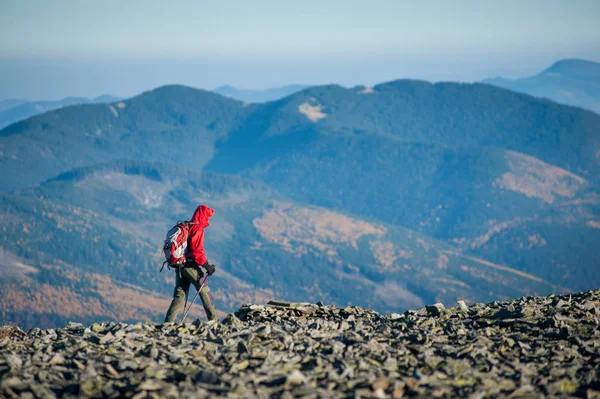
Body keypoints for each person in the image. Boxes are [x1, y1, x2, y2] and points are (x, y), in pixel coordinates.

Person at [164, 205, 218, 322]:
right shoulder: (198, 228)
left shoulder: (187, 225)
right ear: (204, 216)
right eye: (208, 217)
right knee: (205, 292)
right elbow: (197, 251)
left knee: (179, 296)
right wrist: (207, 266)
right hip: (190, 267)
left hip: (179, 266)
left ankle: (167, 324)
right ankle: (215, 322)